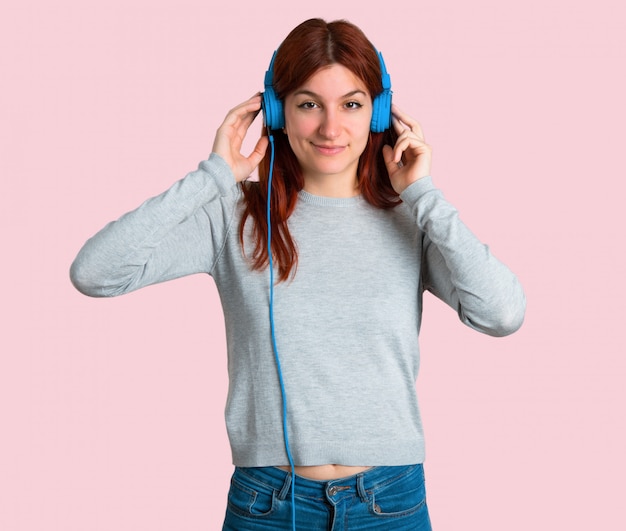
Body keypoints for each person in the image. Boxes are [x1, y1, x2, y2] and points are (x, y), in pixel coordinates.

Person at [70, 17, 525, 531]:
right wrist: (214, 176)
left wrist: (424, 195)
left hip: (389, 502)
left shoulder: (411, 219)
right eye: (309, 104)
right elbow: (96, 272)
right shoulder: (232, 214)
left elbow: (502, 314)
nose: (331, 129)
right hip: (267, 503)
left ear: (378, 114)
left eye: (352, 105)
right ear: (275, 111)